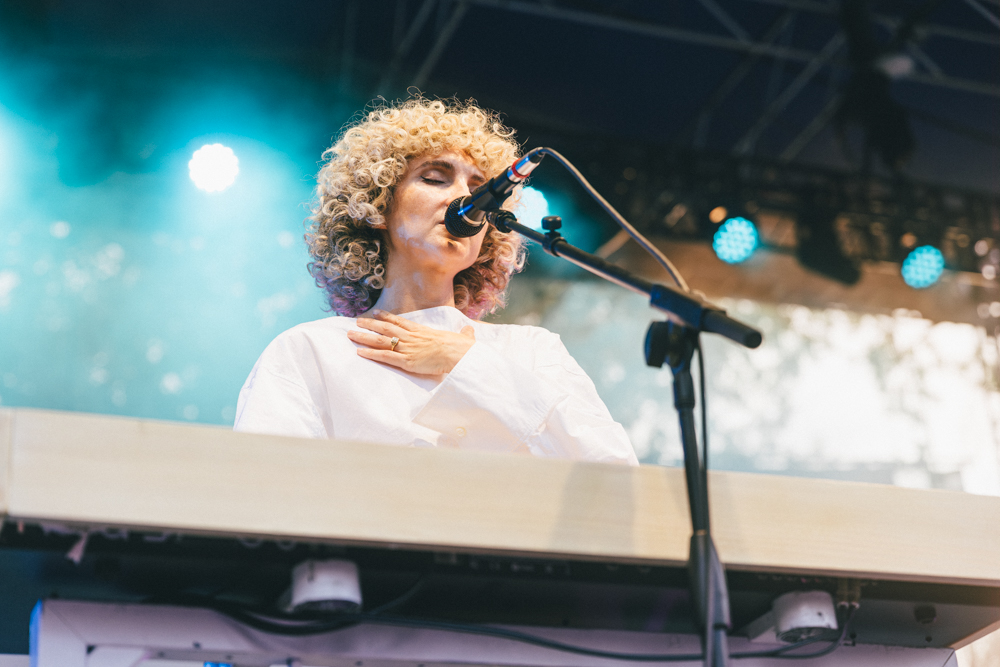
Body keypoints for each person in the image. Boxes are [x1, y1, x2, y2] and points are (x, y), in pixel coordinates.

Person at [234, 97, 637, 466]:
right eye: (435, 178)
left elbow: (613, 474)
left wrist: (465, 361)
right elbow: (265, 494)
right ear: (377, 205)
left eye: (480, 189)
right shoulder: (310, 352)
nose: (462, 199)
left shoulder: (531, 351)